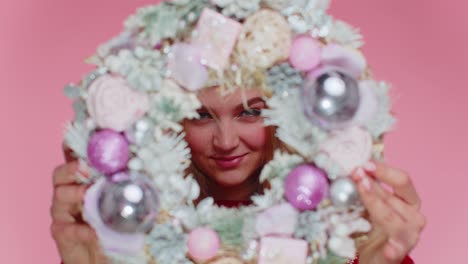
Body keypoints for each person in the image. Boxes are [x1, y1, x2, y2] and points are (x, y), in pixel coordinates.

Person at [51, 87, 425, 264]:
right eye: (200, 115)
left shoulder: (345, 232)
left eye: (250, 112)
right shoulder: (131, 230)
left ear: (288, 112)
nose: (226, 141)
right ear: (166, 117)